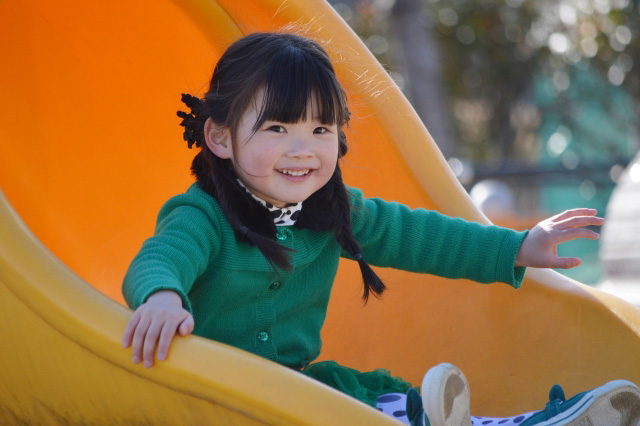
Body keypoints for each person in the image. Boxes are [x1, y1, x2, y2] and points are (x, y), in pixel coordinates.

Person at [121, 32, 640, 426]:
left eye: (321, 129)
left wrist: (519, 246)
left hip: (294, 395)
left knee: (356, 398)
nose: (303, 148)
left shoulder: (331, 211)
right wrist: (163, 296)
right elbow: (162, 256)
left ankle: (510, 421)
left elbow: (424, 238)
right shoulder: (204, 214)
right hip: (204, 396)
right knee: (355, 405)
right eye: (278, 128)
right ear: (219, 137)